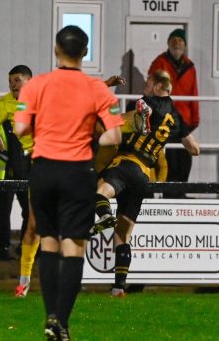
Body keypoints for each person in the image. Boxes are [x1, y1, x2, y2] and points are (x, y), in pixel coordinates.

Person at [14, 26, 123, 340]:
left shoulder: (36, 85)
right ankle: (62, 321)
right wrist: (90, 136)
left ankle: (50, 317)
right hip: (78, 173)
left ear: (55, 49)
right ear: (84, 52)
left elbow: (20, 128)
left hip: (44, 170)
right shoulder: (99, 90)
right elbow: (114, 136)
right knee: (73, 247)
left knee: (48, 241)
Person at [91, 70, 199, 297]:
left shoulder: (145, 103)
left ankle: (103, 216)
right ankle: (119, 287)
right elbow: (194, 149)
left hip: (126, 163)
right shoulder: (176, 117)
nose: (145, 84)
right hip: (143, 177)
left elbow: (124, 121)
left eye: (149, 81)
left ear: (160, 86)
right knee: (124, 232)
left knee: (100, 194)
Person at [0, 65, 40, 296]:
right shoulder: (4, 104)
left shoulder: (43, 97)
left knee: (43, 220)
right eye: (10, 81)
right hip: (26, 165)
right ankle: (23, 279)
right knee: (31, 219)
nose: (12, 84)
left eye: (17, 80)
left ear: (29, 82)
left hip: (50, 160)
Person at [148, 28, 199, 198]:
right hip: (165, 118)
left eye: (180, 40)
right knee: (167, 158)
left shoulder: (190, 67)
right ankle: (168, 193)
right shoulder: (159, 63)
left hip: (183, 119)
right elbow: (152, 87)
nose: (177, 43)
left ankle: (180, 192)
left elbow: (194, 92)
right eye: (174, 40)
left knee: (184, 158)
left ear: (185, 45)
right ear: (168, 43)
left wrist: (195, 118)